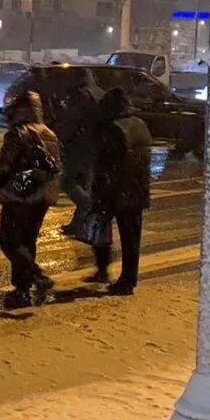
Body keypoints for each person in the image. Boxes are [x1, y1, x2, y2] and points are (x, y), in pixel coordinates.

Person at [0, 90, 62, 308]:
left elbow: (6, 167)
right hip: (41, 196)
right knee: (28, 240)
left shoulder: (18, 133)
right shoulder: (49, 133)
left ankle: (31, 282)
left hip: (19, 195)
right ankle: (29, 283)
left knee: (10, 240)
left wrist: (0, 179)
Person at [89, 88, 153, 295]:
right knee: (131, 239)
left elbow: (108, 165)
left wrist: (99, 193)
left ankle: (110, 274)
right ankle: (129, 278)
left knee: (102, 232)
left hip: (117, 191)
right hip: (138, 189)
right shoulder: (139, 124)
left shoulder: (114, 129)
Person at [51, 69, 104, 238]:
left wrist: (61, 138)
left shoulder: (81, 95)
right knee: (84, 182)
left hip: (78, 146)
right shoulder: (99, 93)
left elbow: (72, 121)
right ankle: (80, 223)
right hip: (94, 146)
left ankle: (86, 209)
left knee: (68, 182)